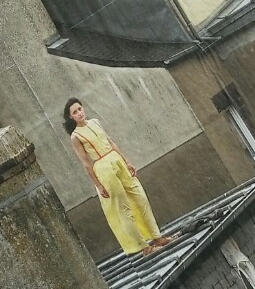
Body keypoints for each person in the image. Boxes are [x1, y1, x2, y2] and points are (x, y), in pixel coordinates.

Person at [63, 98, 173, 255]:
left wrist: (127, 161)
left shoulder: (95, 122)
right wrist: (98, 185)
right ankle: (144, 247)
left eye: (79, 109)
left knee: (140, 197)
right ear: (70, 117)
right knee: (124, 209)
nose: (79, 113)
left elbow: (111, 142)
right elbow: (86, 163)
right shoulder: (76, 136)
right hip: (103, 168)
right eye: (74, 112)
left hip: (117, 160)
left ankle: (157, 237)